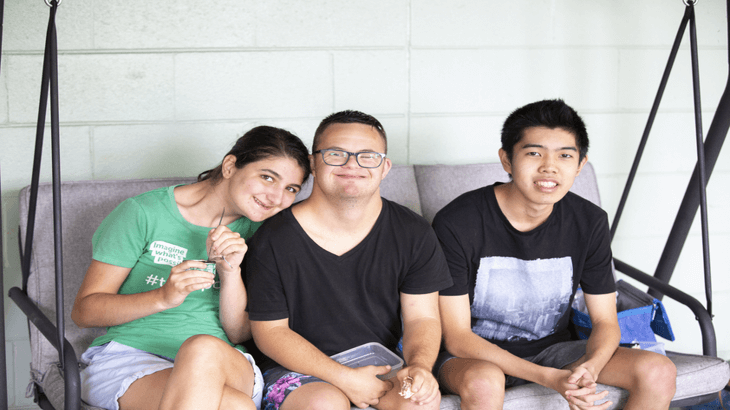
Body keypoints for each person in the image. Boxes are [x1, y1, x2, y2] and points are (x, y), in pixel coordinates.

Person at [432, 99, 677, 410]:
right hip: (472, 357)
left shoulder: (589, 221)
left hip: (555, 350)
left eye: (564, 155)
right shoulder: (459, 221)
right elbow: (457, 337)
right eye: (534, 153)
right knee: (484, 382)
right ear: (507, 160)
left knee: (658, 371)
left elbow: (605, 321)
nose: (549, 166)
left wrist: (591, 365)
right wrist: (547, 377)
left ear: (580, 165)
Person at [71, 126, 311, 410]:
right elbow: (85, 312)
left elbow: (238, 333)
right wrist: (163, 297)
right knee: (235, 406)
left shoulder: (269, 232)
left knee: (202, 348)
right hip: (131, 357)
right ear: (231, 166)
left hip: (226, 362)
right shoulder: (143, 213)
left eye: (290, 189)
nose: (276, 198)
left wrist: (230, 272)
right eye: (267, 177)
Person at [245, 110, 453, 410]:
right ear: (313, 163)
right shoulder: (274, 238)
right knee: (324, 404)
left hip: (382, 363)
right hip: (298, 370)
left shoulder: (413, 231)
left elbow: (422, 317)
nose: (351, 164)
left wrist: (419, 366)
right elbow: (270, 332)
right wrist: (343, 378)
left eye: (367, 156)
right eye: (335, 154)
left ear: (385, 167)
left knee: (417, 401)